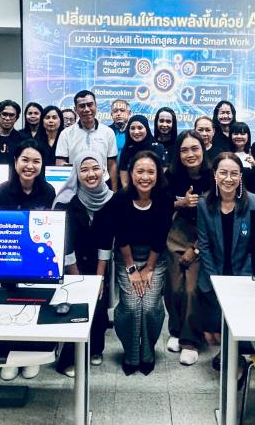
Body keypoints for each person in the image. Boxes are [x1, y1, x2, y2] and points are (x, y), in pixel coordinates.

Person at [101, 150, 173, 375]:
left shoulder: (165, 199)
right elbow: (120, 236)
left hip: (155, 257)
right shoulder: (120, 199)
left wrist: (149, 268)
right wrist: (132, 269)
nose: (145, 177)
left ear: (158, 174)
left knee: (149, 306)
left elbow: (161, 236)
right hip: (127, 257)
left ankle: (148, 352)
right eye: (140, 171)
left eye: (151, 172)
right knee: (132, 306)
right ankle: (131, 353)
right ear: (131, 174)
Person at [197, 153, 255, 370]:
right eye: (223, 173)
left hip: (245, 273)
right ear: (214, 175)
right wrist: (216, 280)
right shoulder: (204, 203)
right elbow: (204, 245)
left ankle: (237, 357)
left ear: (241, 176)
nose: (228, 178)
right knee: (214, 331)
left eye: (234, 173)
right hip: (213, 273)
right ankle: (228, 353)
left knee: (240, 318)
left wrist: (240, 280)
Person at [52, 153, 113, 376]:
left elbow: (107, 240)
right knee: (75, 304)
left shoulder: (110, 199)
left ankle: (95, 348)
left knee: (99, 302)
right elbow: (65, 243)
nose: (90, 174)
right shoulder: (65, 201)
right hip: (70, 263)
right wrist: (77, 277)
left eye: (95, 168)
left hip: (97, 262)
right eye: (84, 169)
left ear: (103, 170)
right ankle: (67, 359)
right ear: (76, 173)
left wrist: (99, 278)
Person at [164, 130, 210, 365]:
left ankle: (190, 341)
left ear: (203, 149)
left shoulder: (214, 176)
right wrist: (180, 203)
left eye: (195, 148)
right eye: (184, 150)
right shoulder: (170, 176)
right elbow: (160, 205)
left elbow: (218, 215)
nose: (190, 154)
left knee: (192, 288)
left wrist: (197, 248)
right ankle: (176, 330)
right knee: (174, 287)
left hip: (204, 237)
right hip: (176, 235)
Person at [56, 90, 119, 189]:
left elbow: (112, 164)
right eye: (82, 106)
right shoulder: (66, 134)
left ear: (96, 106)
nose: (86, 109)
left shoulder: (108, 132)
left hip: (103, 185)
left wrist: (114, 191)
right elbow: (60, 163)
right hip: (76, 186)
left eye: (90, 105)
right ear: (75, 109)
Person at [0, 140, 57, 209]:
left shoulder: (49, 191)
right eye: (25, 160)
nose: (30, 166)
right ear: (15, 161)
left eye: (36, 161)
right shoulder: (2, 191)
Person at [119, 115, 166, 188]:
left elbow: (162, 177)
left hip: (155, 190)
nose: (136, 132)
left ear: (146, 129)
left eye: (140, 128)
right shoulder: (126, 150)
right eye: (132, 128)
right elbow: (124, 182)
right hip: (131, 192)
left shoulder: (158, 148)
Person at [228, 121, 255, 191]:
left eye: (243, 134)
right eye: (235, 134)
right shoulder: (226, 154)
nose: (239, 136)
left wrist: (254, 164)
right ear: (230, 136)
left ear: (248, 136)